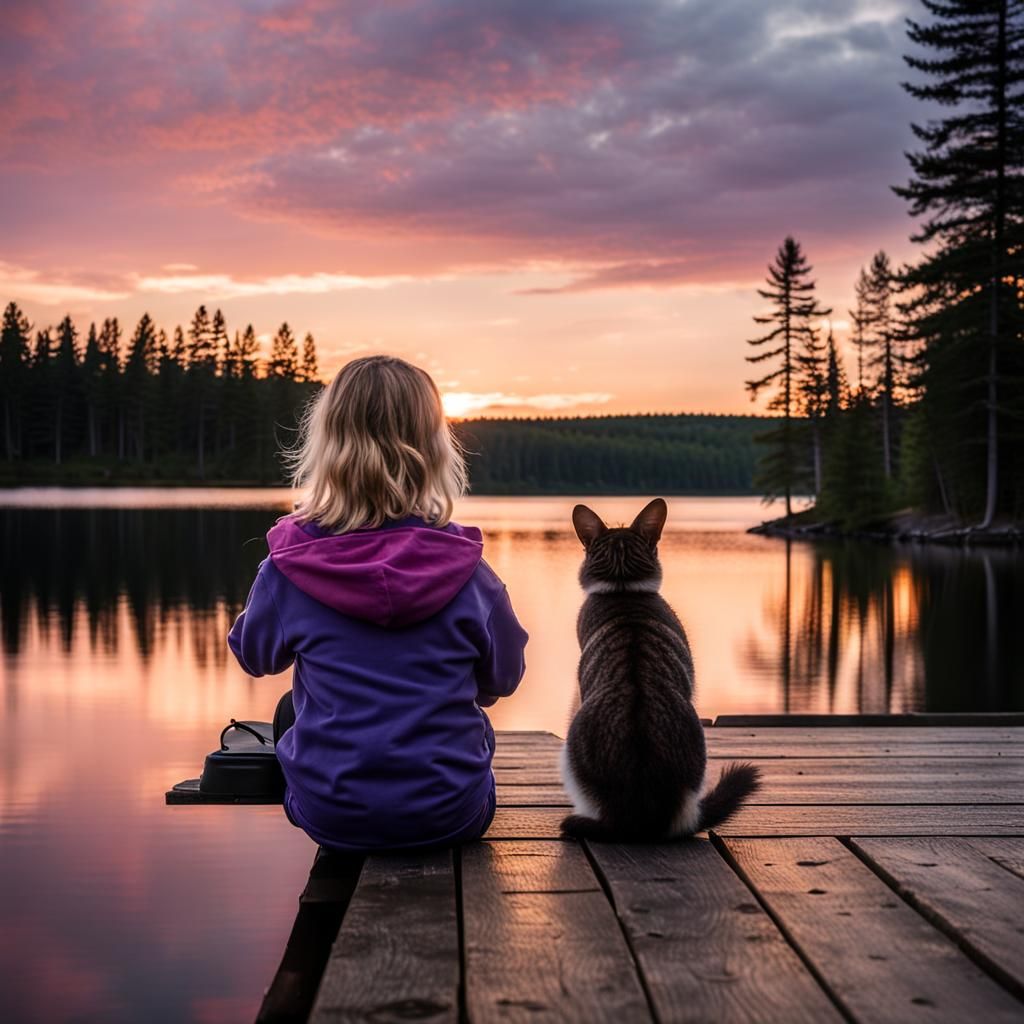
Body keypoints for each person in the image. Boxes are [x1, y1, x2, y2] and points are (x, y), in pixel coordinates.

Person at [228, 355, 528, 851]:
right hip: (452, 816)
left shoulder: (288, 567)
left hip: (332, 818)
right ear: (434, 451)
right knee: (472, 707)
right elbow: (505, 679)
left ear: (326, 446)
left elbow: (253, 655)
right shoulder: (469, 571)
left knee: (289, 708)